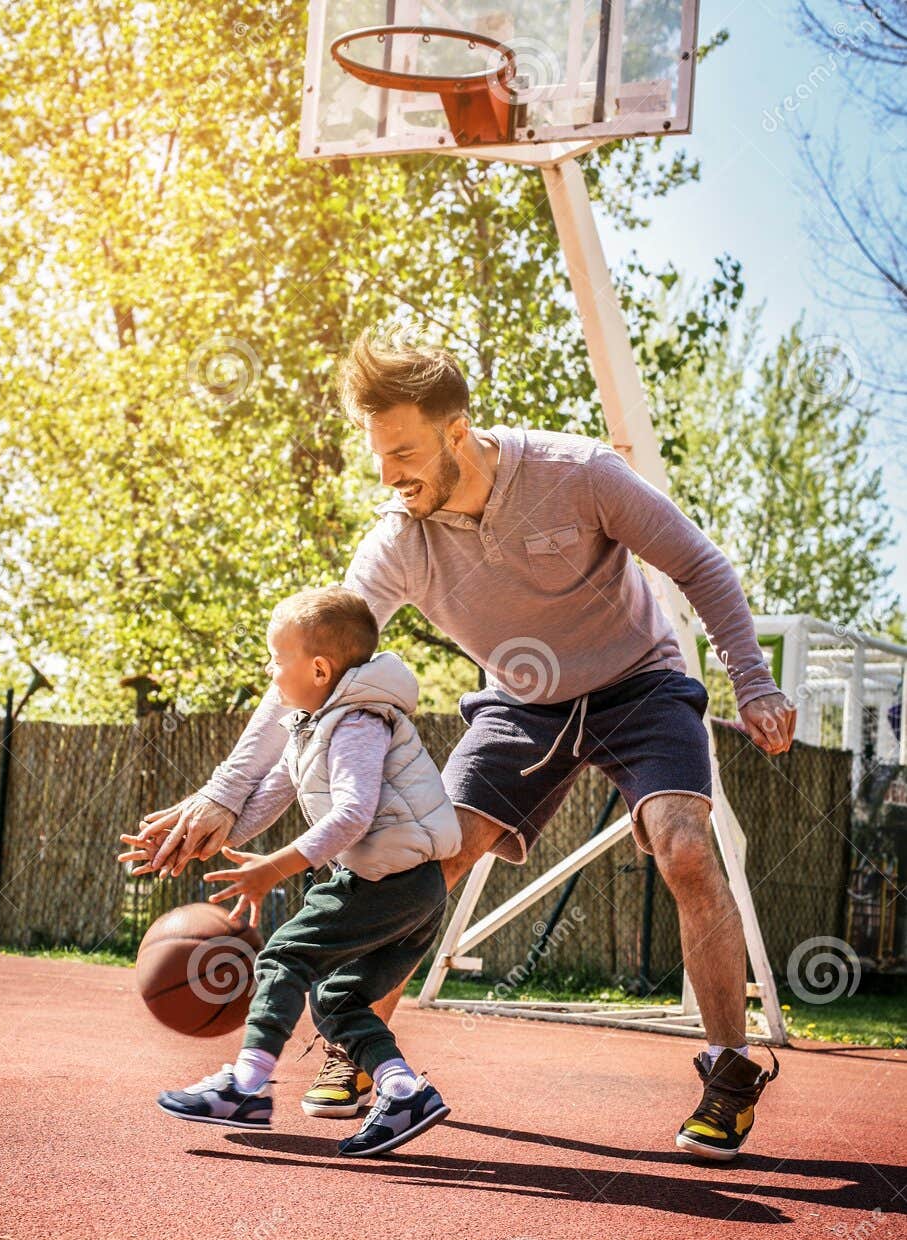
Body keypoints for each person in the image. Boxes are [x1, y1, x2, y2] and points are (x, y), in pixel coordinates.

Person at [123, 334, 797, 1163]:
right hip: (521, 705)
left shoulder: (576, 472)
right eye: (377, 455)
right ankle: (361, 1050)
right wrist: (227, 797)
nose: (387, 475)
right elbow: (311, 676)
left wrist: (752, 681)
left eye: (401, 451)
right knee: (416, 862)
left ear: (457, 431)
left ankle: (728, 1071)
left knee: (686, 851)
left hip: (639, 685)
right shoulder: (396, 544)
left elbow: (699, 564)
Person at [133, 586, 462, 1157]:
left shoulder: (358, 722)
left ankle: (248, 1086)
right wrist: (197, 841)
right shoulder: (311, 726)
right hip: (411, 888)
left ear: (318, 668)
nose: (269, 671)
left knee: (283, 956)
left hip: (388, 881)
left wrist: (276, 868)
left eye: (275, 659)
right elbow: (266, 801)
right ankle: (403, 1091)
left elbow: (353, 813)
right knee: (337, 1000)